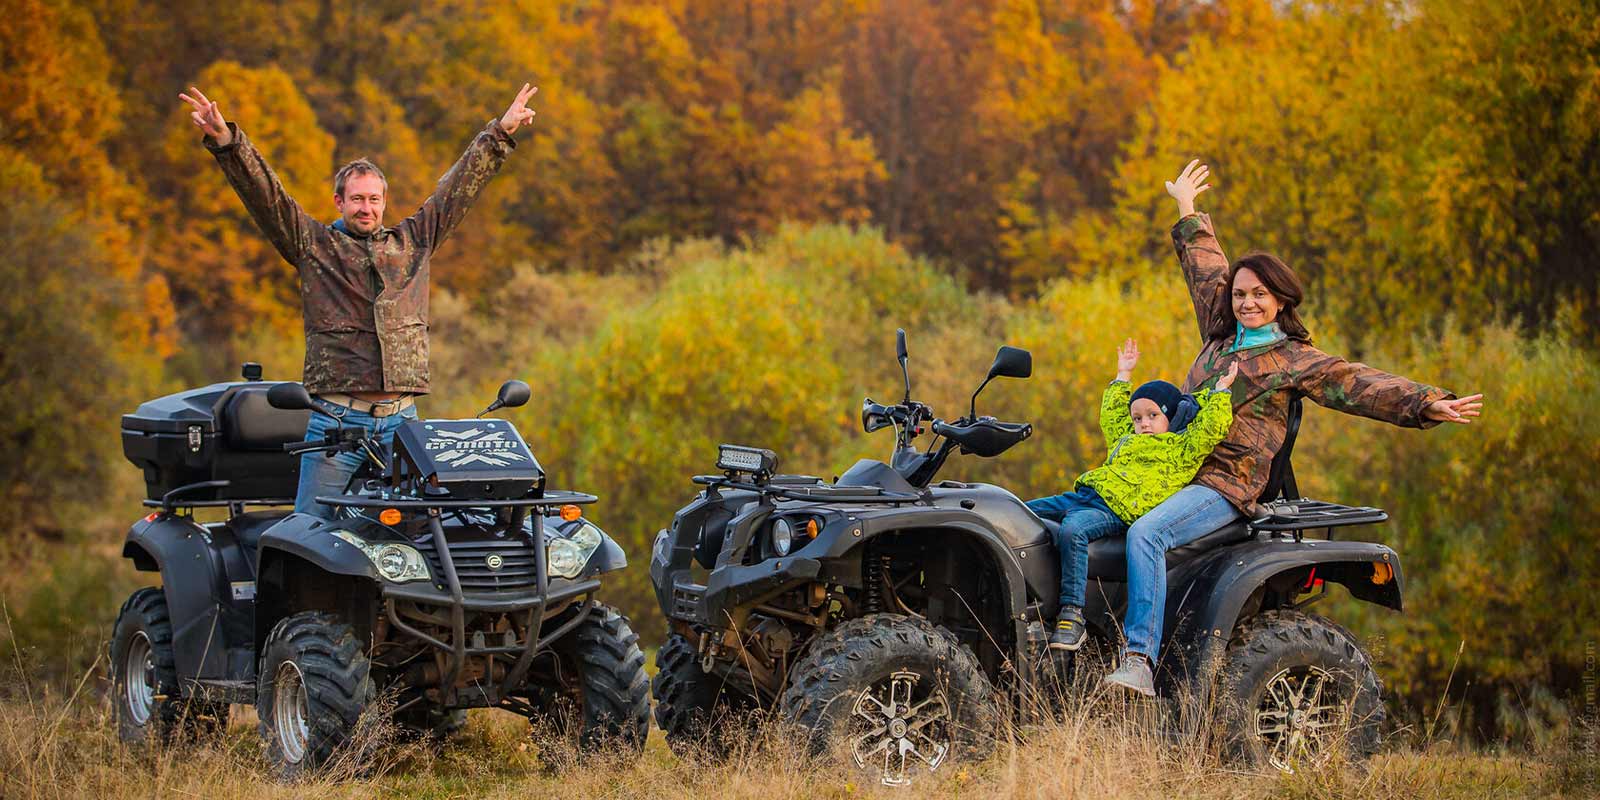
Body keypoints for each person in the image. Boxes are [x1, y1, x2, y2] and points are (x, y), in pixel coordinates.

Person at [1101, 160, 1486, 697]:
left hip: (1226, 487)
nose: (1247, 302)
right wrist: (1187, 208)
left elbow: (1360, 384)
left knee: (1147, 533)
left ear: (1281, 300)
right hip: (1177, 472)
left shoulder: (1294, 360)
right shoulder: (1220, 337)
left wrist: (1427, 403)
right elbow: (1206, 268)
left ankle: (1138, 660)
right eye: (1241, 295)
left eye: (1259, 294)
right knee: (1090, 518)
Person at [178, 83, 540, 518]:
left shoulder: (414, 242)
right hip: (336, 423)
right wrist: (228, 142)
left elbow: (457, 188)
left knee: (421, 536)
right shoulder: (313, 246)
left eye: (373, 199)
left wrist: (500, 133)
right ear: (339, 201)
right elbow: (266, 197)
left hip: (404, 425)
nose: (365, 208)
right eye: (356, 199)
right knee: (309, 532)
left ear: (384, 202)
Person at [1028, 339, 1238, 651]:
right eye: (1138, 418)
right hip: (1088, 494)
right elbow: (1112, 417)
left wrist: (1220, 393)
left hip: (1116, 510)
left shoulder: (1181, 448)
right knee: (1021, 511)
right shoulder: (1125, 439)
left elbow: (1211, 428)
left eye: (1153, 415)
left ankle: (1072, 615)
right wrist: (1123, 375)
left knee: (1074, 530)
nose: (1144, 424)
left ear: (1172, 417)